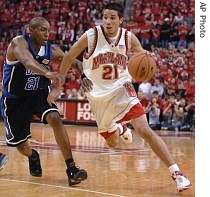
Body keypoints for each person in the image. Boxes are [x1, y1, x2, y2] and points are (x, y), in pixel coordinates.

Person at [56, 3, 191, 192]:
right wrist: (60, 85)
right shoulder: (92, 35)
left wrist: (146, 57)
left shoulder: (128, 37)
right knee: (112, 143)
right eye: (105, 17)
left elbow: (142, 56)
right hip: (98, 95)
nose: (108, 21)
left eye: (112, 18)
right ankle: (120, 127)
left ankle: (177, 174)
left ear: (121, 20)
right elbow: (69, 56)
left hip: (122, 87)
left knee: (144, 129)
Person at [0, 17, 87, 186]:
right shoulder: (18, 43)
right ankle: (33, 155)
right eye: (42, 30)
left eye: (48, 30)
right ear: (31, 31)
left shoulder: (51, 50)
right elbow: (27, 61)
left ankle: (72, 168)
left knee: (55, 118)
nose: (47, 33)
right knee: (21, 145)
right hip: (15, 100)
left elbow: (75, 62)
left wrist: (83, 75)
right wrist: (47, 73)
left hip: (39, 93)